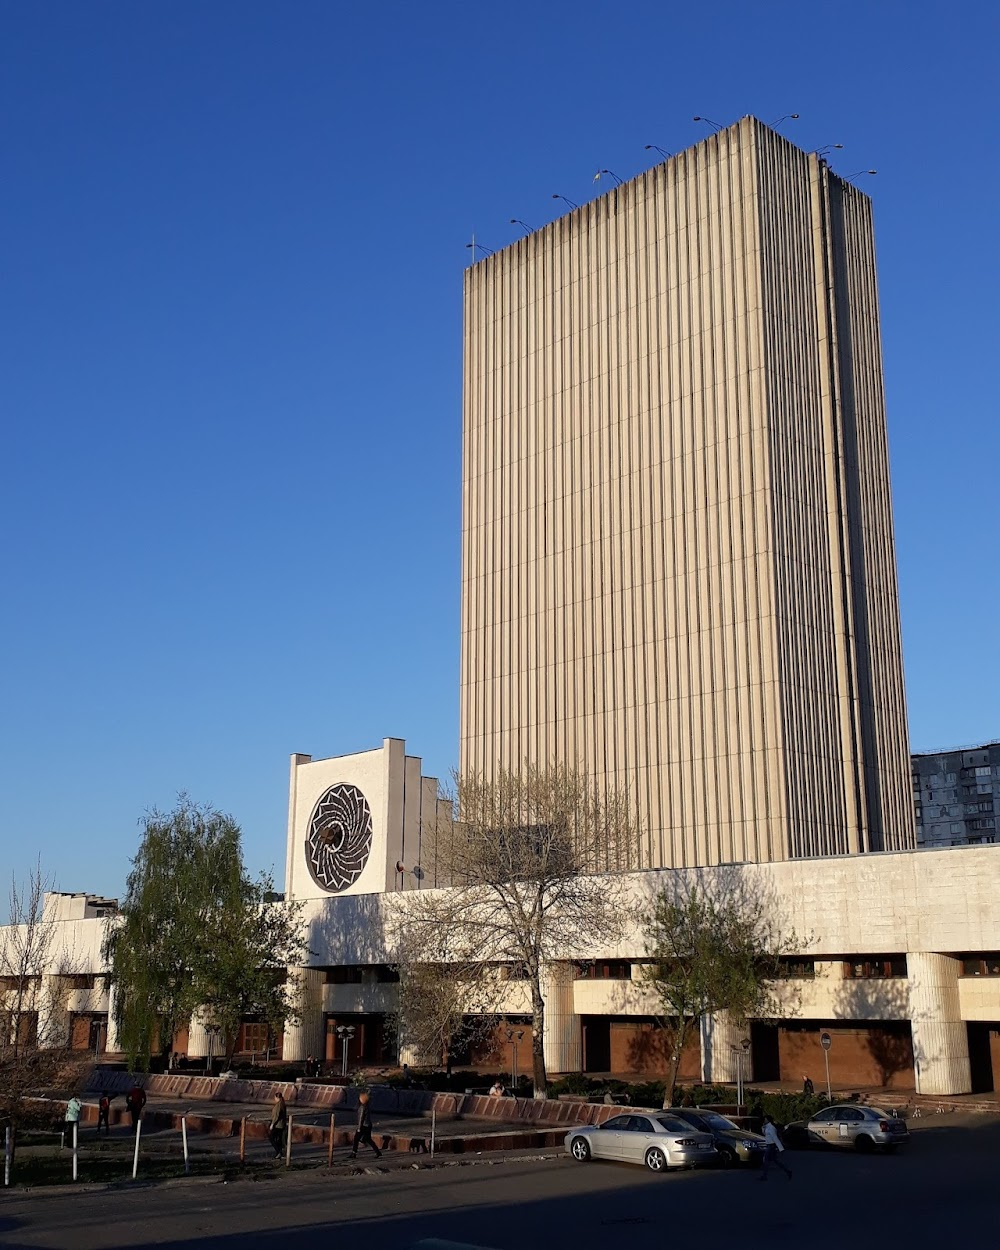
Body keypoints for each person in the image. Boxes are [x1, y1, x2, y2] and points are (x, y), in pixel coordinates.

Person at [759, 1115, 792, 1182]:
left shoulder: (771, 1128)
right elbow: (764, 1134)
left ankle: (764, 1176)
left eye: (765, 1119)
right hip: (769, 1145)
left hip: (771, 1146)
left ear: (768, 1120)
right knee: (775, 1161)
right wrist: (763, 1127)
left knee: (767, 1160)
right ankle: (787, 1171)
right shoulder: (767, 1127)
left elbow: (775, 1138)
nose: (764, 1120)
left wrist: (781, 1148)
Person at [350, 1092, 382, 1159]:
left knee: (356, 1139)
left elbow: (361, 1118)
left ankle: (354, 1153)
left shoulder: (362, 1107)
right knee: (368, 1139)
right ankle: (378, 1152)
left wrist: (359, 1128)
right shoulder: (366, 1106)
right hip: (368, 1125)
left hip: (363, 1126)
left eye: (360, 1097)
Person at [268, 1092, 288, 1158]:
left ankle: (279, 1151)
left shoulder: (278, 1105)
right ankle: (279, 1153)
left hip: (277, 1125)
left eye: (275, 1098)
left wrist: (272, 1124)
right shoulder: (282, 1104)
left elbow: (276, 1116)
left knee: (271, 1137)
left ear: (277, 1098)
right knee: (278, 1139)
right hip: (281, 1124)